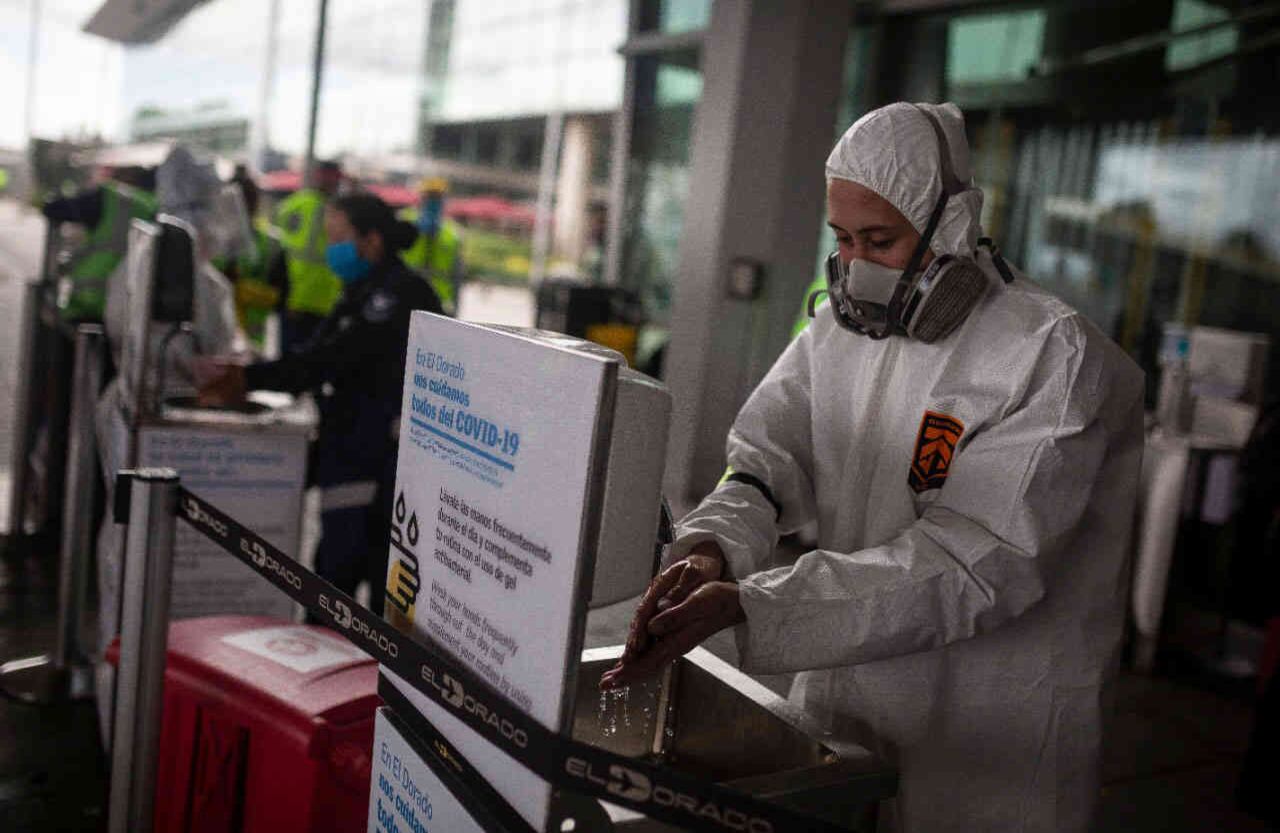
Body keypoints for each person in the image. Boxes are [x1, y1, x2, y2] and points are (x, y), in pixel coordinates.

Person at [600, 102, 1145, 833]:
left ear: (950, 224)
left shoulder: (1050, 356)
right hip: (846, 690)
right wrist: (711, 548)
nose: (856, 266)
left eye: (880, 240)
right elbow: (764, 461)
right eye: (844, 238)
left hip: (986, 727)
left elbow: (974, 564)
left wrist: (754, 604)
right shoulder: (839, 329)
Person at [197, 193, 444, 614]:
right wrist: (252, 372)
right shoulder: (359, 290)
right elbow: (316, 352)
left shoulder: (397, 294)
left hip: (376, 456)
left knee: (345, 582)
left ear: (372, 240)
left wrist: (248, 380)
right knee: (336, 576)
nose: (333, 250)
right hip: (348, 443)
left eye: (338, 238)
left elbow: (334, 357)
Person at [42, 164, 158, 321]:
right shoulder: (155, 207)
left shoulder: (113, 199)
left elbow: (54, 209)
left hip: (91, 304)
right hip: (135, 315)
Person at [273, 159, 345, 351]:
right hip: (305, 302)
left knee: (292, 366)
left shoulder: (291, 205)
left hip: (314, 303)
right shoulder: (334, 211)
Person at [401, 176, 464, 314]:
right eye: (430, 196)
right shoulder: (404, 223)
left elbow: (457, 275)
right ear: (421, 197)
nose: (433, 201)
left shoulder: (453, 234)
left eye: (438, 197)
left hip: (438, 303)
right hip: (404, 296)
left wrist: (455, 308)